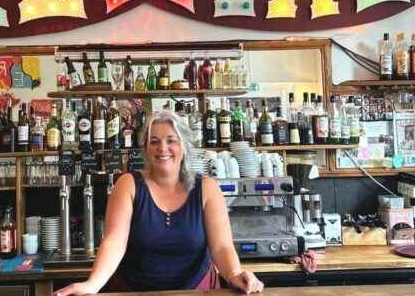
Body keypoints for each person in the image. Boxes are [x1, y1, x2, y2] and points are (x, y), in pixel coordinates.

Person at [54, 110, 264, 294]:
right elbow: (114, 242)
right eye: (154, 141)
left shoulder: (207, 188)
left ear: (184, 148)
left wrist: (235, 273)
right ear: (145, 148)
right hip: (134, 292)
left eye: (171, 140)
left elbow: (221, 247)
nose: (162, 148)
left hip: (196, 292)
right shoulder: (128, 185)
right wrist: (93, 284)